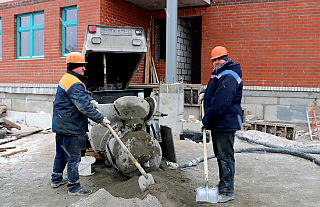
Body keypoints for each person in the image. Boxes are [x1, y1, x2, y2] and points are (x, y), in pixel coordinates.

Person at [51, 52, 110, 196]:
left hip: (61, 124)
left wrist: (90, 99)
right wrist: (101, 118)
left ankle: (56, 179)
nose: (84, 68)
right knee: (73, 158)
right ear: (74, 67)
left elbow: (80, 95)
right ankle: (74, 188)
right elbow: (83, 107)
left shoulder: (68, 78)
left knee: (61, 154)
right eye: (82, 66)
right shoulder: (74, 83)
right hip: (70, 127)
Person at [199, 46, 243, 203]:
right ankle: (222, 185)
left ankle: (227, 190)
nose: (216, 61)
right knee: (221, 156)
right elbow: (216, 90)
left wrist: (206, 121)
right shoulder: (221, 73)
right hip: (220, 123)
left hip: (225, 123)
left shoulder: (229, 75)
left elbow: (221, 104)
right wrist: (205, 91)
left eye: (219, 58)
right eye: (214, 60)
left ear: (227, 57)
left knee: (225, 157)